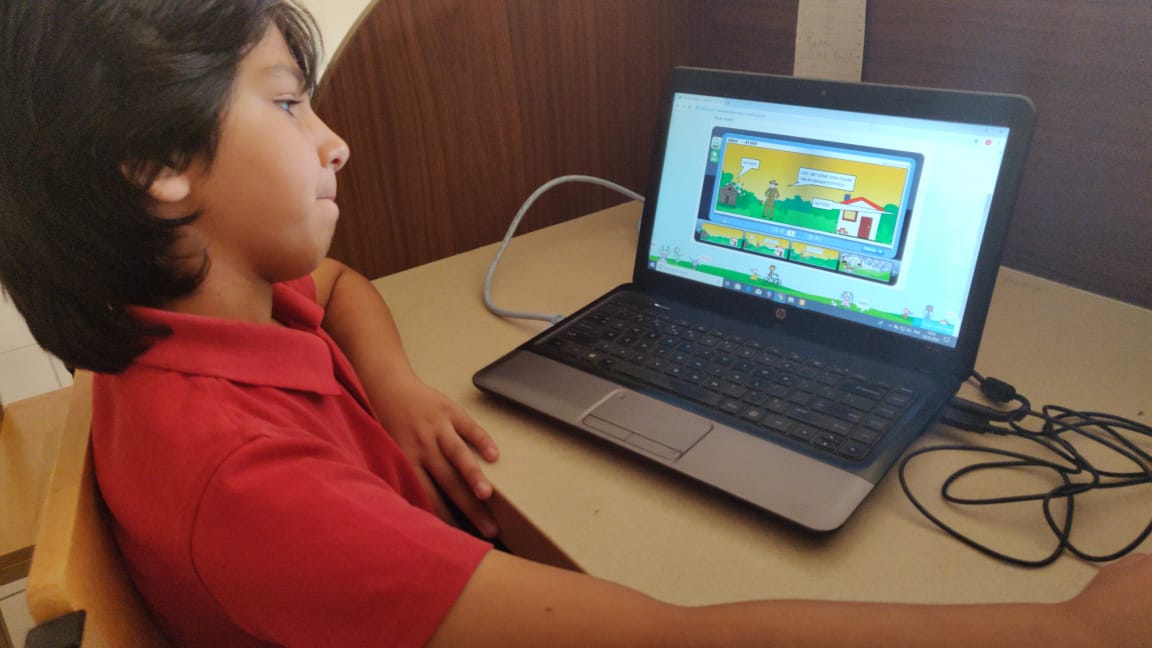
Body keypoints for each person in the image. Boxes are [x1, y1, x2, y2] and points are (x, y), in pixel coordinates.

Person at [1, 2, 1149, 646]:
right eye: (291, 104)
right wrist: (1079, 632)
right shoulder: (253, 490)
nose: (335, 141)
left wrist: (397, 390)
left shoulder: (196, 305)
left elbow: (341, 286)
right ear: (156, 162)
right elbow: (667, 637)